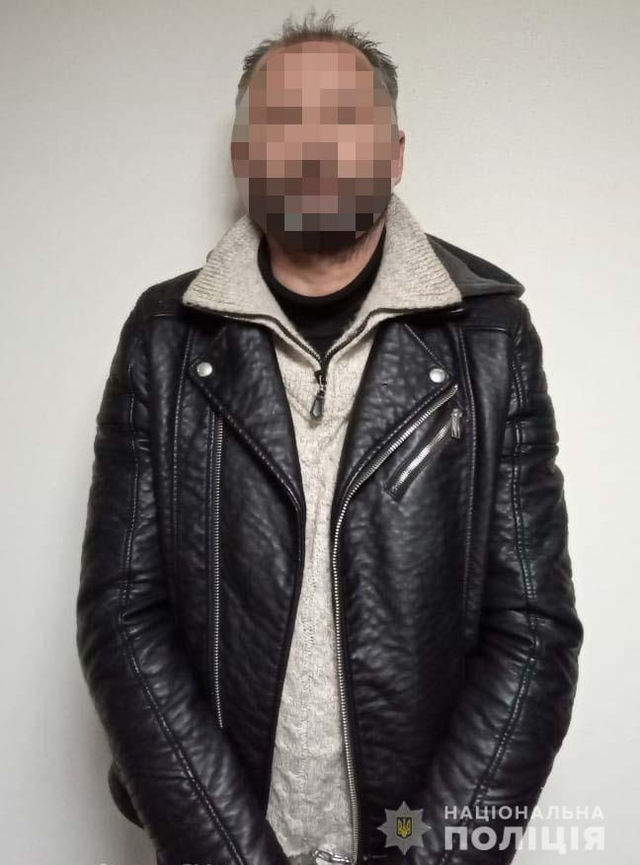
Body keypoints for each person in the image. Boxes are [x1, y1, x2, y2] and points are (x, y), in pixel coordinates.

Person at [76, 10, 583, 865]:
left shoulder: (492, 339)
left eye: (345, 118)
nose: (315, 146)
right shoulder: (164, 337)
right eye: (284, 119)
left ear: (395, 152)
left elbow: (532, 631)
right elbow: (122, 618)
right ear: (244, 155)